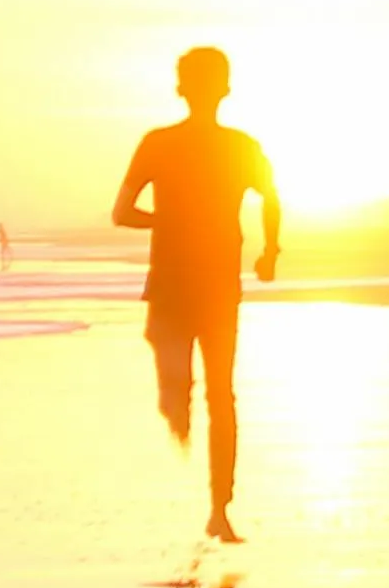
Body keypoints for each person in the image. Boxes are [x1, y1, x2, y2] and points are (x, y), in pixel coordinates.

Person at [112, 45, 281, 540]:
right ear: (225, 89)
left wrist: (167, 221)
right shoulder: (242, 146)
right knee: (221, 397)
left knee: (185, 388)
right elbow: (271, 198)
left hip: (174, 284)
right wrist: (269, 251)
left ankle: (180, 421)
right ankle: (219, 511)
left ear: (181, 88)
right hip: (216, 286)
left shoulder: (158, 143)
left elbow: (121, 213)